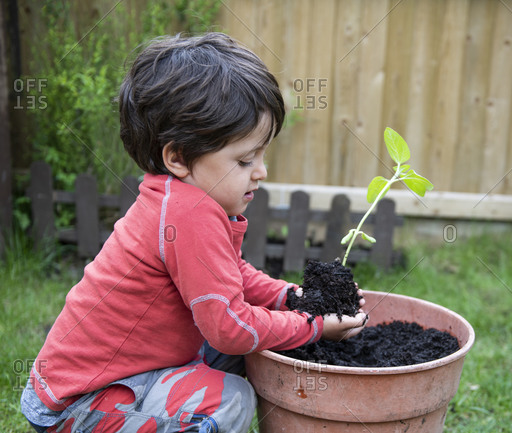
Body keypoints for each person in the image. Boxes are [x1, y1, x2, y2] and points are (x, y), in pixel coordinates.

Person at [21, 32, 367, 433]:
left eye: (262, 154)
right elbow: (230, 327)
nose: (261, 171)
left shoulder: (179, 197)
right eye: (244, 160)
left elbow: (232, 274)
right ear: (178, 157)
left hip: (110, 380)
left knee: (242, 351)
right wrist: (313, 325)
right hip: (85, 403)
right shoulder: (189, 213)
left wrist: (290, 297)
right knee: (231, 401)